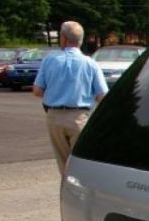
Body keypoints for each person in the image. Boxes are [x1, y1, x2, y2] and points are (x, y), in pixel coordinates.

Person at [33, 21, 108, 174]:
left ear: (64, 38)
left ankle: (67, 193)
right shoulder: (90, 63)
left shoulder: (50, 60)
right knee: (81, 164)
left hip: (54, 116)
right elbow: (102, 95)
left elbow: (37, 91)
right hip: (79, 117)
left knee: (63, 165)